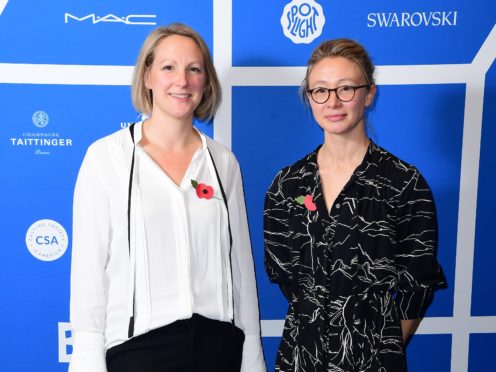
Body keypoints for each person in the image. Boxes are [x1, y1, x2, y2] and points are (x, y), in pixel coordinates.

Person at [70, 23, 266, 372]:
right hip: (139, 352)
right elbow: (88, 274)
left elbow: (241, 269)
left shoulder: (223, 162)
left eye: (194, 69)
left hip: (218, 348)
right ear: (146, 75)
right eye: (168, 67)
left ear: (205, 81)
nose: (183, 80)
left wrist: (252, 359)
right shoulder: (106, 158)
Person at [263, 38, 446, 371]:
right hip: (300, 360)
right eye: (320, 90)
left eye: (346, 88)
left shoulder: (404, 183)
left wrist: (374, 347)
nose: (332, 102)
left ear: (369, 93)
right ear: (309, 97)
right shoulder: (286, 185)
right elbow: (287, 278)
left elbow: (418, 285)